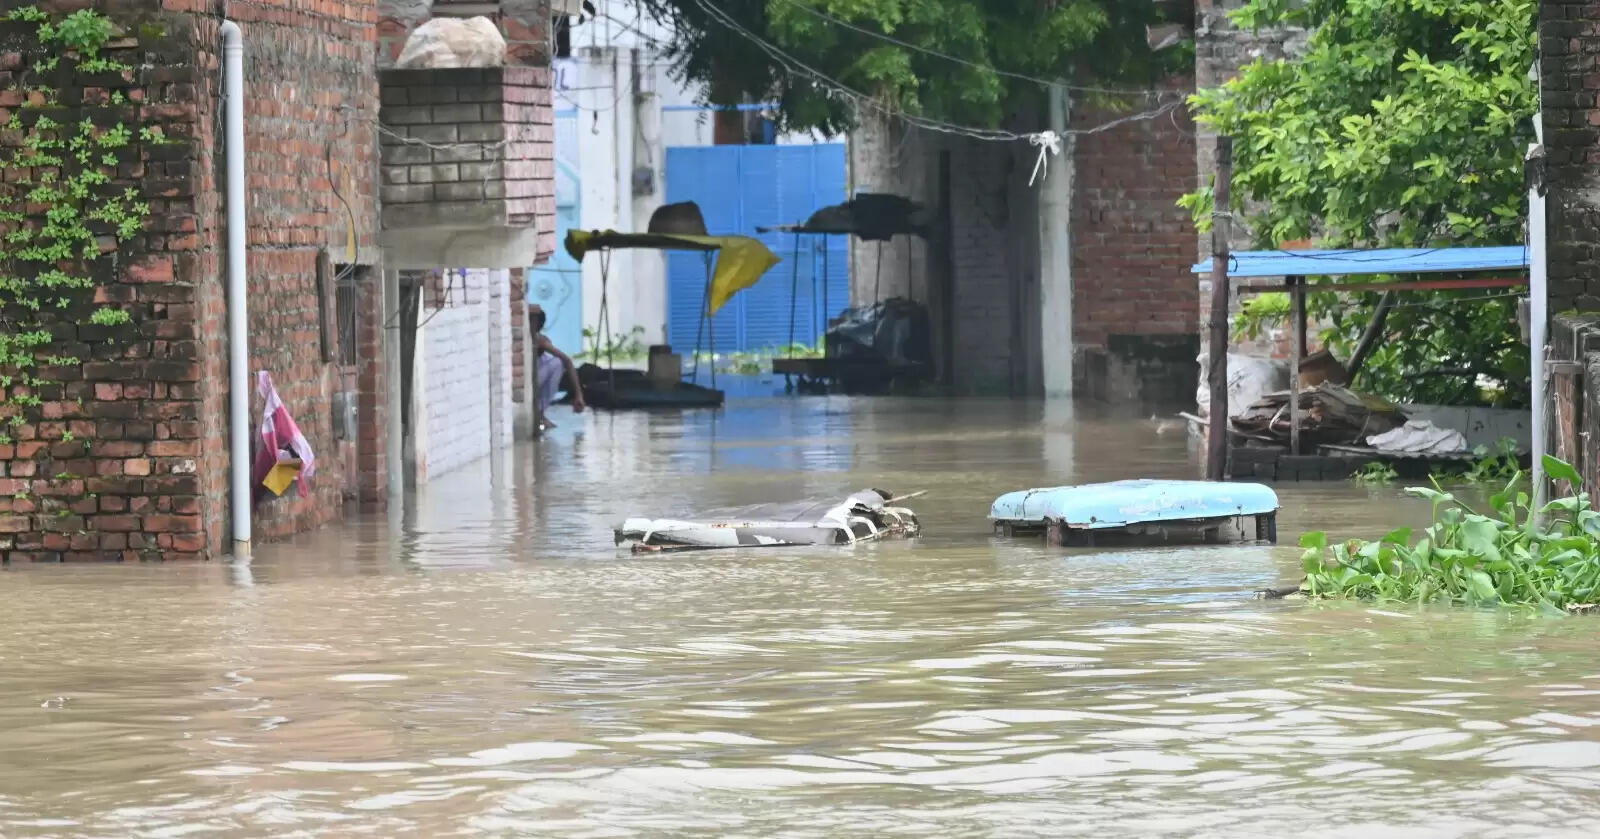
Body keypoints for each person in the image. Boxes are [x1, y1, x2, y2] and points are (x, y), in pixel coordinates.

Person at [529, 304, 586, 428]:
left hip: (532, 382)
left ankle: (540, 412)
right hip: (525, 383)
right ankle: (539, 414)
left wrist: (578, 395)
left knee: (556, 362)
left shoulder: (541, 341)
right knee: (555, 362)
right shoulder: (525, 339)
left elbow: (567, 361)